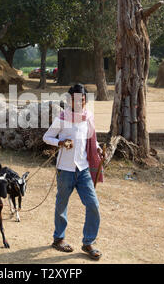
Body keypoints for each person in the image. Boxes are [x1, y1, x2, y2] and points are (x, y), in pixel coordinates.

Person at [43, 84, 104, 260]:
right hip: (65, 169)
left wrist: (98, 148)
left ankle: (88, 242)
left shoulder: (88, 117)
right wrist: (61, 143)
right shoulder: (62, 118)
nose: (80, 102)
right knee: (61, 204)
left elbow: (92, 139)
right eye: (77, 99)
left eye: (83, 99)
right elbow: (47, 137)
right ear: (70, 99)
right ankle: (59, 238)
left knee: (93, 205)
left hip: (83, 169)